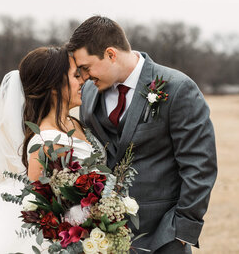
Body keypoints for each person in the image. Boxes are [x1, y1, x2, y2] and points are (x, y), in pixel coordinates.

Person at [66, 16, 217, 254]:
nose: (84, 77)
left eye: (86, 67)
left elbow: (200, 166)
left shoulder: (177, 88)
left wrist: (180, 231)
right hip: (103, 238)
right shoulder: (88, 93)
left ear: (111, 54)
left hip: (162, 238)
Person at [0, 46, 105, 253]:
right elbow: (46, 213)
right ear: (54, 86)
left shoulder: (74, 123)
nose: (82, 81)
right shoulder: (45, 142)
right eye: (75, 75)